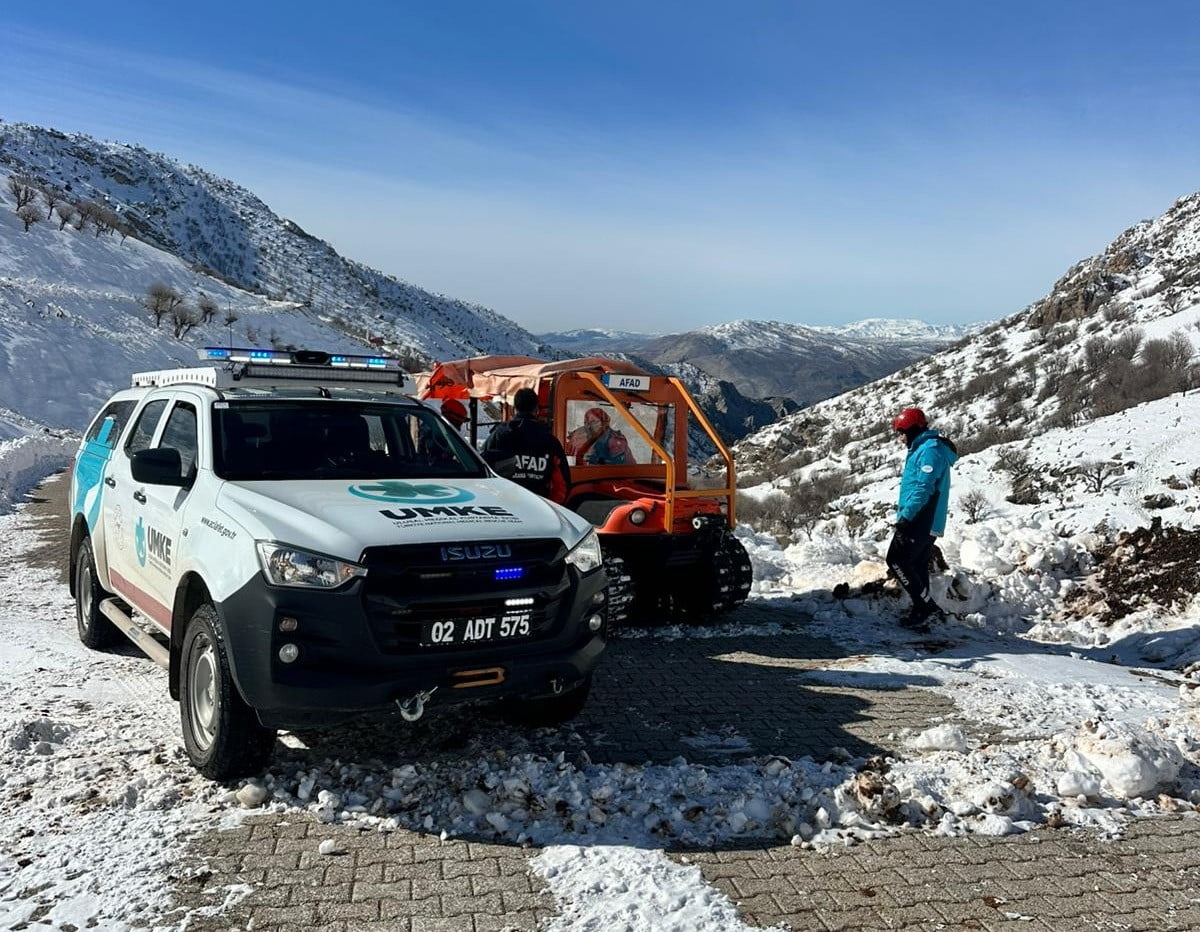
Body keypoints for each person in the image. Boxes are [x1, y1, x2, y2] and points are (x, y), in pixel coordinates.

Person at [887, 407, 958, 631]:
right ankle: (923, 609)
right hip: (924, 518)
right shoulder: (923, 448)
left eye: (902, 433)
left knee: (896, 560)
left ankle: (926, 607)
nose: (900, 438)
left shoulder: (930, 450)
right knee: (916, 564)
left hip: (921, 518)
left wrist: (906, 517)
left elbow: (923, 487)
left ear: (914, 430)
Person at [482, 387, 571, 502]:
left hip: (504, 505)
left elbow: (482, 468)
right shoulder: (549, 440)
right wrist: (552, 507)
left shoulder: (499, 436)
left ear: (514, 410)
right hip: (539, 505)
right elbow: (562, 482)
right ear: (537, 410)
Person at [565, 406, 633, 465]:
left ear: (604, 423)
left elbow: (615, 469)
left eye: (593, 422)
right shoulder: (579, 437)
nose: (588, 426)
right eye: (586, 423)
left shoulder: (616, 441)